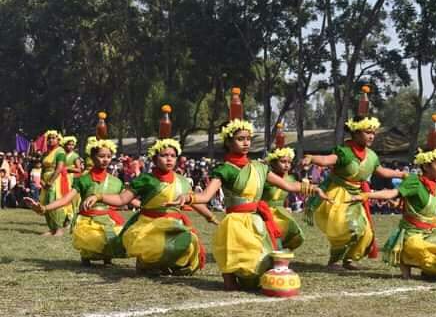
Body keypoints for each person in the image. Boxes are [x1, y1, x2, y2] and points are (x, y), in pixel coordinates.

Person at [168, 115, 329, 291]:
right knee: (235, 254)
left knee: (262, 265)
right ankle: (229, 279)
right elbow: (206, 197)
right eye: (240, 139)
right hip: (235, 222)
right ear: (229, 142)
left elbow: (289, 185)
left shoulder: (260, 167)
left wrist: (314, 189)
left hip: (256, 220)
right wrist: (188, 198)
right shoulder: (225, 169)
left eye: (248, 139)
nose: (246, 143)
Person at [83, 106, 218, 275]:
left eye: (172, 155)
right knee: (154, 246)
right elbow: (122, 200)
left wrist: (209, 216)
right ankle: (146, 262)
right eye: (164, 155)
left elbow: (194, 201)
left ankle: (165, 263)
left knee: (189, 243)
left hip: (174, 223)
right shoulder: (145, 179)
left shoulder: (182, 181)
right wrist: (99, 196)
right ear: (154, 158)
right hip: (149, 224)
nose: (169, 159)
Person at [302, 116, 406, 270]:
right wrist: (311, 157)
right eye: (367, 132)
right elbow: (326, 160)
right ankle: (334, 260)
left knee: (366, 233)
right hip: (337, 195)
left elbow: (382, 172)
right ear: (355, 133)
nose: (371, 136)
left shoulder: (371, 156)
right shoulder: (344, 152)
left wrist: (402, 174)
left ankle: (349, 259)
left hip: (356, 196)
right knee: (348, 228)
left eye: (373, 133)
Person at [357, 147, 436, 279]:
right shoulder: (414, 182)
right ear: (426, 166)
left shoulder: (434, 186)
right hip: (413, 235)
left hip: (431, 232)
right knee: (416, 246)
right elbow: (392, 193)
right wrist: (368, 195)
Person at [25, 138, 128, 265]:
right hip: (88, 219)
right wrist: (44, 208)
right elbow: (65, 199)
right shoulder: (83, 180)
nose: (105, 159)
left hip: (109, 218)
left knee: (114, 237)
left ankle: (107, 258)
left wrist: (146, 205)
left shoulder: (116, 181)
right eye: (101, 156)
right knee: (91, 240)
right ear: (92, 157)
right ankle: (86, 257)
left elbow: (126, 199)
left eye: (108, 156)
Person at [262, 147, 305, 250]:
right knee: (271, 238)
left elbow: (285, 195)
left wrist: (287, 207)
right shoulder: (266, 178)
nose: (287, 165)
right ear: (273, 163)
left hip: (280, 212)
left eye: (289, 162)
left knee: (296, 233)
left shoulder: (291, 178)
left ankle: (278, 254)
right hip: (265, 212)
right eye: (283, 162)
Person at [39, 130, 73, 236]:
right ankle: (51, 229)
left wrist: (50, 182)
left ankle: (59, 229)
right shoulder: (45, 153)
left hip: (56, 180)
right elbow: (42, 169)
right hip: (45, 180)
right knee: (45, 203)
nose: (50, 140)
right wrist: (42, 181)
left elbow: (59, 168)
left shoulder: (60, 152)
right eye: (49, 138)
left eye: (53, 138)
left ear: (58, 140)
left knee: (54, 201)